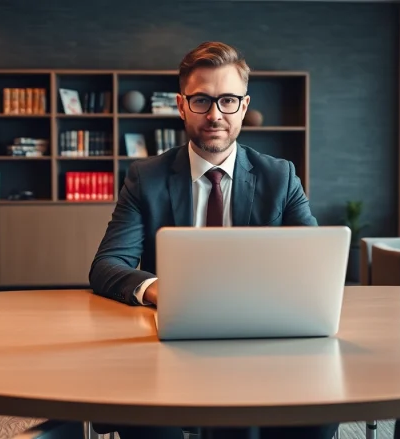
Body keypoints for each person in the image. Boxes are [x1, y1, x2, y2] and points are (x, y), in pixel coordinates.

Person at [88, 41, 336, 439]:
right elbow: (106, 266)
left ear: (244, 104)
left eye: (228, 100)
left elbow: (315, 264)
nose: (215, 114)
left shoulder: (280, 176)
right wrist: (158, 290)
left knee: (315, 412)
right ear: (182, 105)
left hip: (263, 339)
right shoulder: (146, 177)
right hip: (170, 344)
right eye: (202, 100)